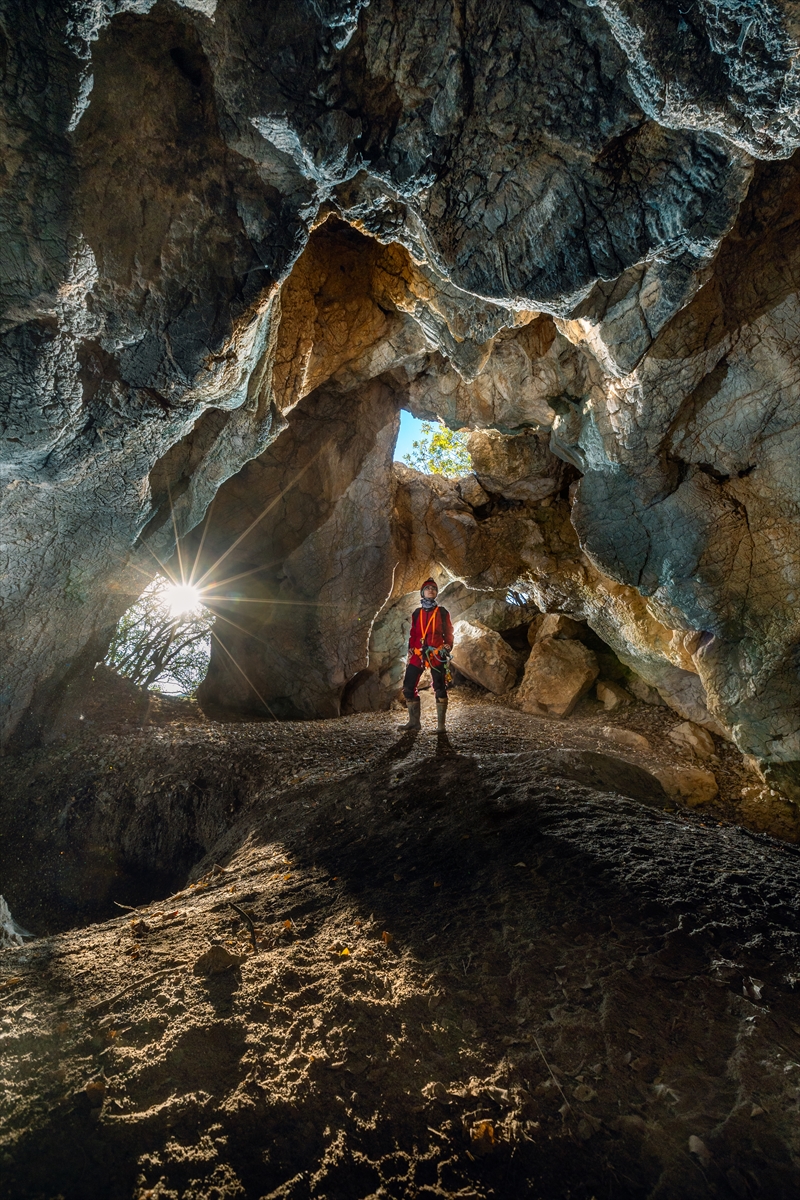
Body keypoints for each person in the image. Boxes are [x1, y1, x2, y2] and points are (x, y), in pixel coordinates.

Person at [399, 578, 454, 733]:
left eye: (433, 588)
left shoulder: (442, 612)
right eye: (428, 588)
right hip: (418, 654)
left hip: (436, 654)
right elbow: (413, 634)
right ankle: (414, 723)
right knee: (408, 685)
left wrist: (448, 645)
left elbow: (449, 632)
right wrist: (411, 648)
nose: (431, 590)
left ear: (436, 593)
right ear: (422, 593)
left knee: (440, 687)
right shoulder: (417, 613)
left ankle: (441, 727)